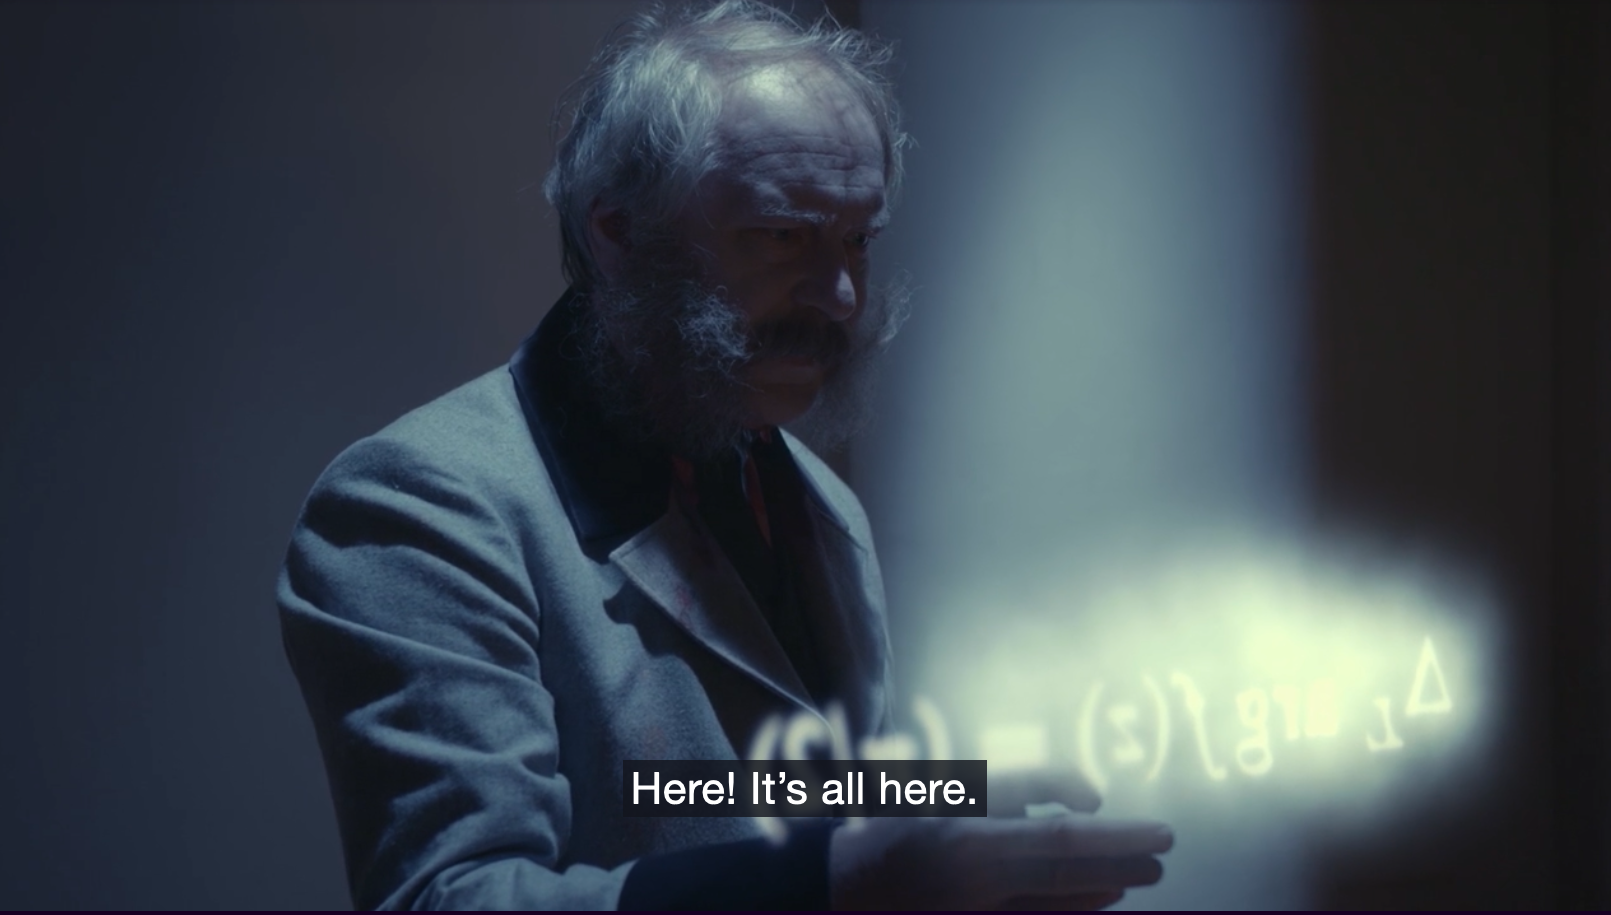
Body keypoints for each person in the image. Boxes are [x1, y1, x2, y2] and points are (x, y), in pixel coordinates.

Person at [278, 1, 1174, 909]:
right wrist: (844, 877)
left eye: (857, 239)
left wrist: (950, 799)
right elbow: (451, 897)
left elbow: (710, 791)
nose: (838, 295)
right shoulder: (419, 505)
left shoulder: (815, 500)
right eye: (781, 235)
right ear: (616, 232)